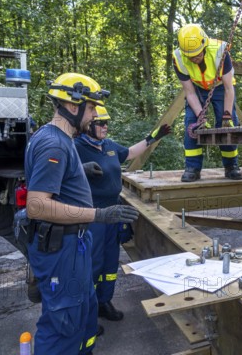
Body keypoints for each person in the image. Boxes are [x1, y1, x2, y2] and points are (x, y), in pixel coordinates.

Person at [25, 73, 139, 355]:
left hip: (74, 244)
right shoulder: (54, 144)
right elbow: (37, 205)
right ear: (72, 106)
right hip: (60, 248)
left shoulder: (60, 138)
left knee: (84, 311)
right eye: (91, 109)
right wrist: (99, 215)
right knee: (63, 323)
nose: (94, 116)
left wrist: (78, 171)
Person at [75, 106, 170, 322]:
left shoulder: (107, 146)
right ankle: (87, 311)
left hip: (113, 212)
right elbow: (60, 170)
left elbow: (129, 153)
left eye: (107, 122)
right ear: (88, 125)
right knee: (93, 263)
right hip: (93, 215)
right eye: (100, 123)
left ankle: (103, 301)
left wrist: (153, 138)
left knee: (110, 262)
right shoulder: (76, 146)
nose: (105, 126)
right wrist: (81, 169)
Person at [173, 23, 242, 182]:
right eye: (191, 56)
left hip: (220, 86)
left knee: (227, 125)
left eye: (197, 54)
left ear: (204, 44)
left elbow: (228, 88)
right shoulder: (178, 58)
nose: (195, 58)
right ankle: (192, 168)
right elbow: (189, 92)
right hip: (196, 88)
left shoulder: (220, 51)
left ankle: (231, 166)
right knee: (192, 123)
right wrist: (200, 115)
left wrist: (226, 115)